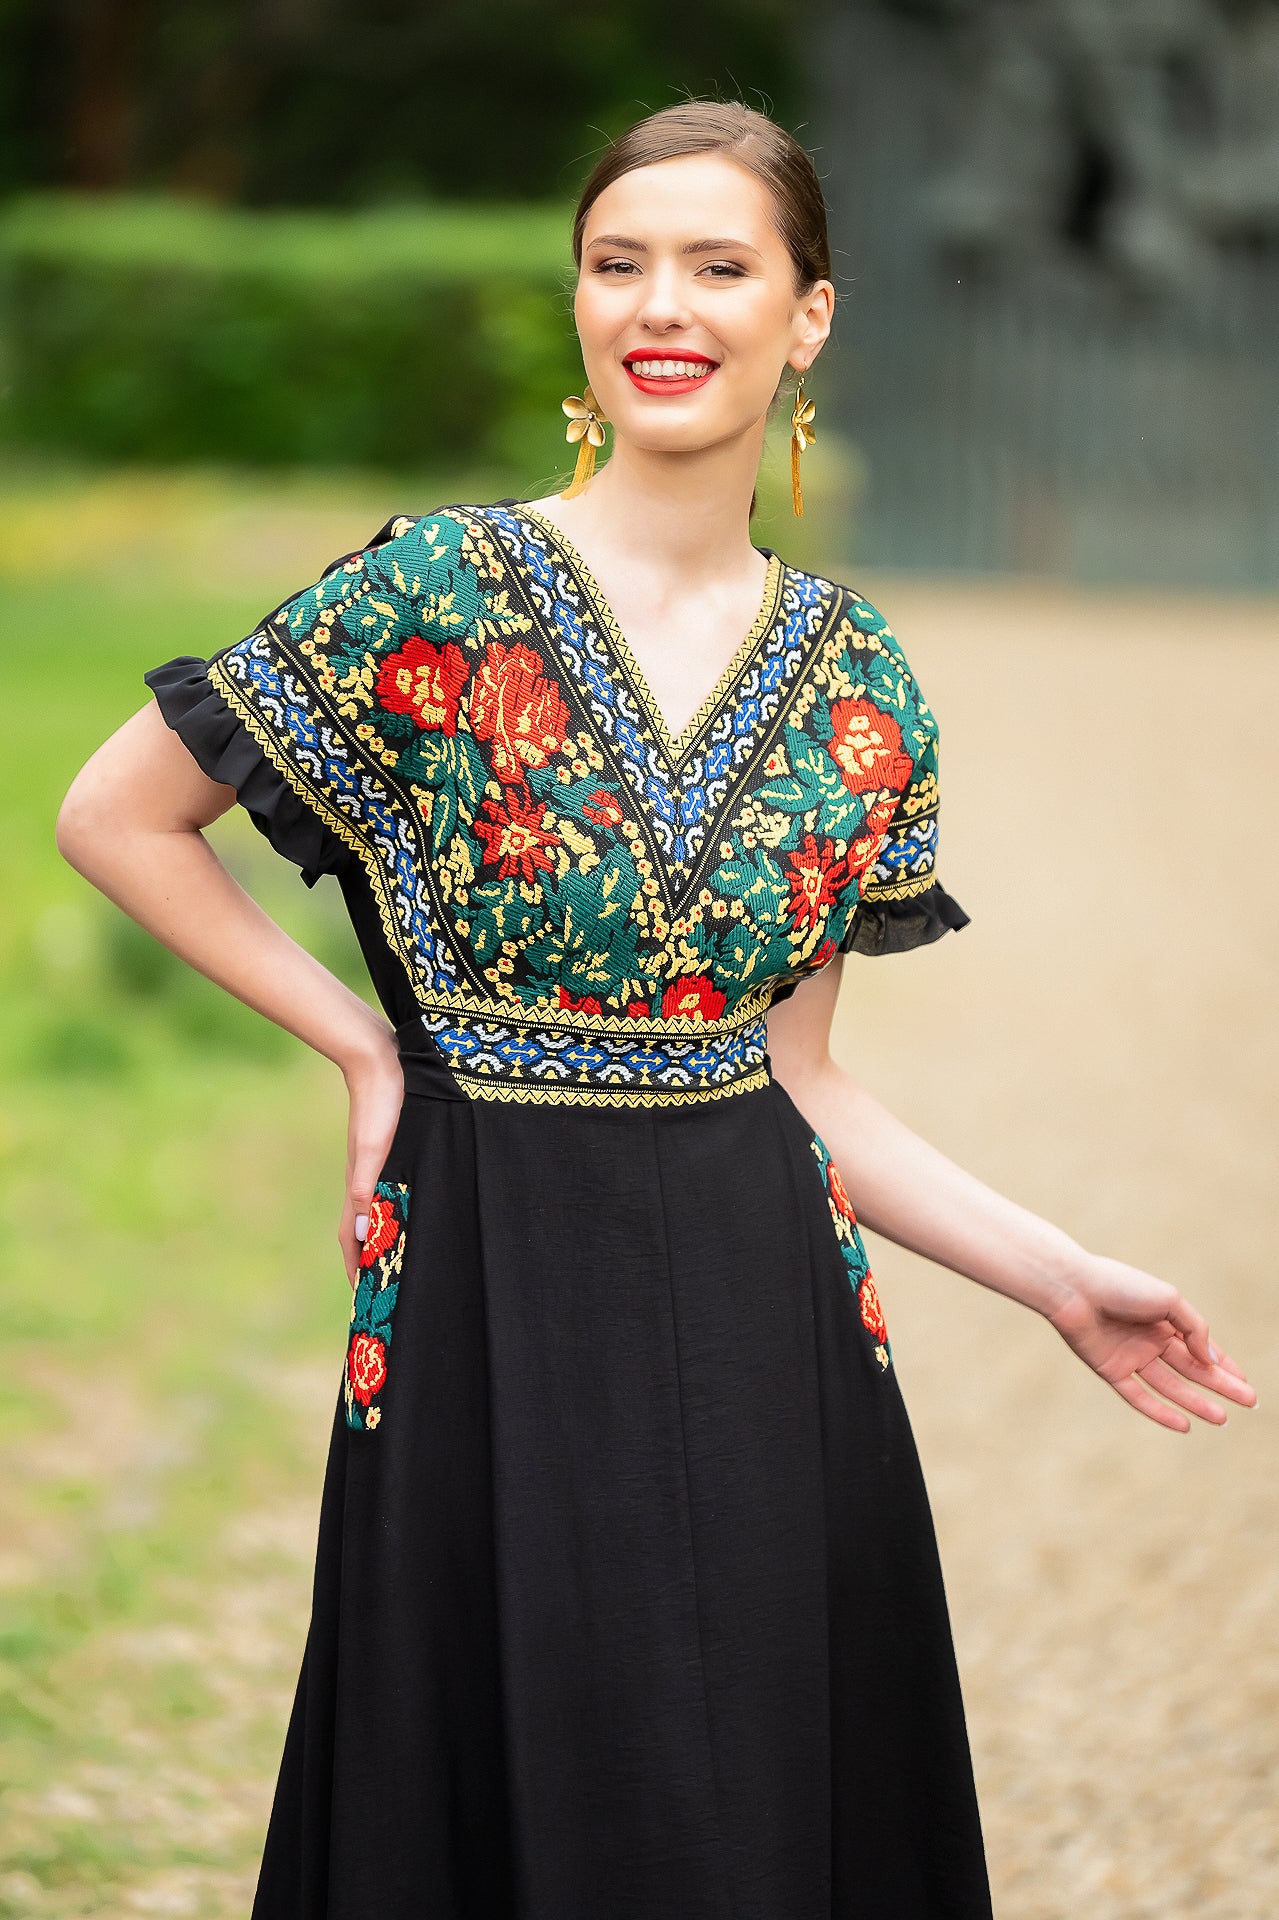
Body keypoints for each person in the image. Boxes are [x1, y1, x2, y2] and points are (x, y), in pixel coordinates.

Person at [56, 99, 1255, 1920]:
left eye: (718, 265)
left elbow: (799, 1079)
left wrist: (1057, 1276)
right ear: (579, 305)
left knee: (746, 1815)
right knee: (483, 1796)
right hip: (488, 1299)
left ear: (810, 315)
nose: (662, 306)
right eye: (618, 265)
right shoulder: (436, 591)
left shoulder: (859, 683)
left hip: (768, 1331)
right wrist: (366, 1041)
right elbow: (118, 815)